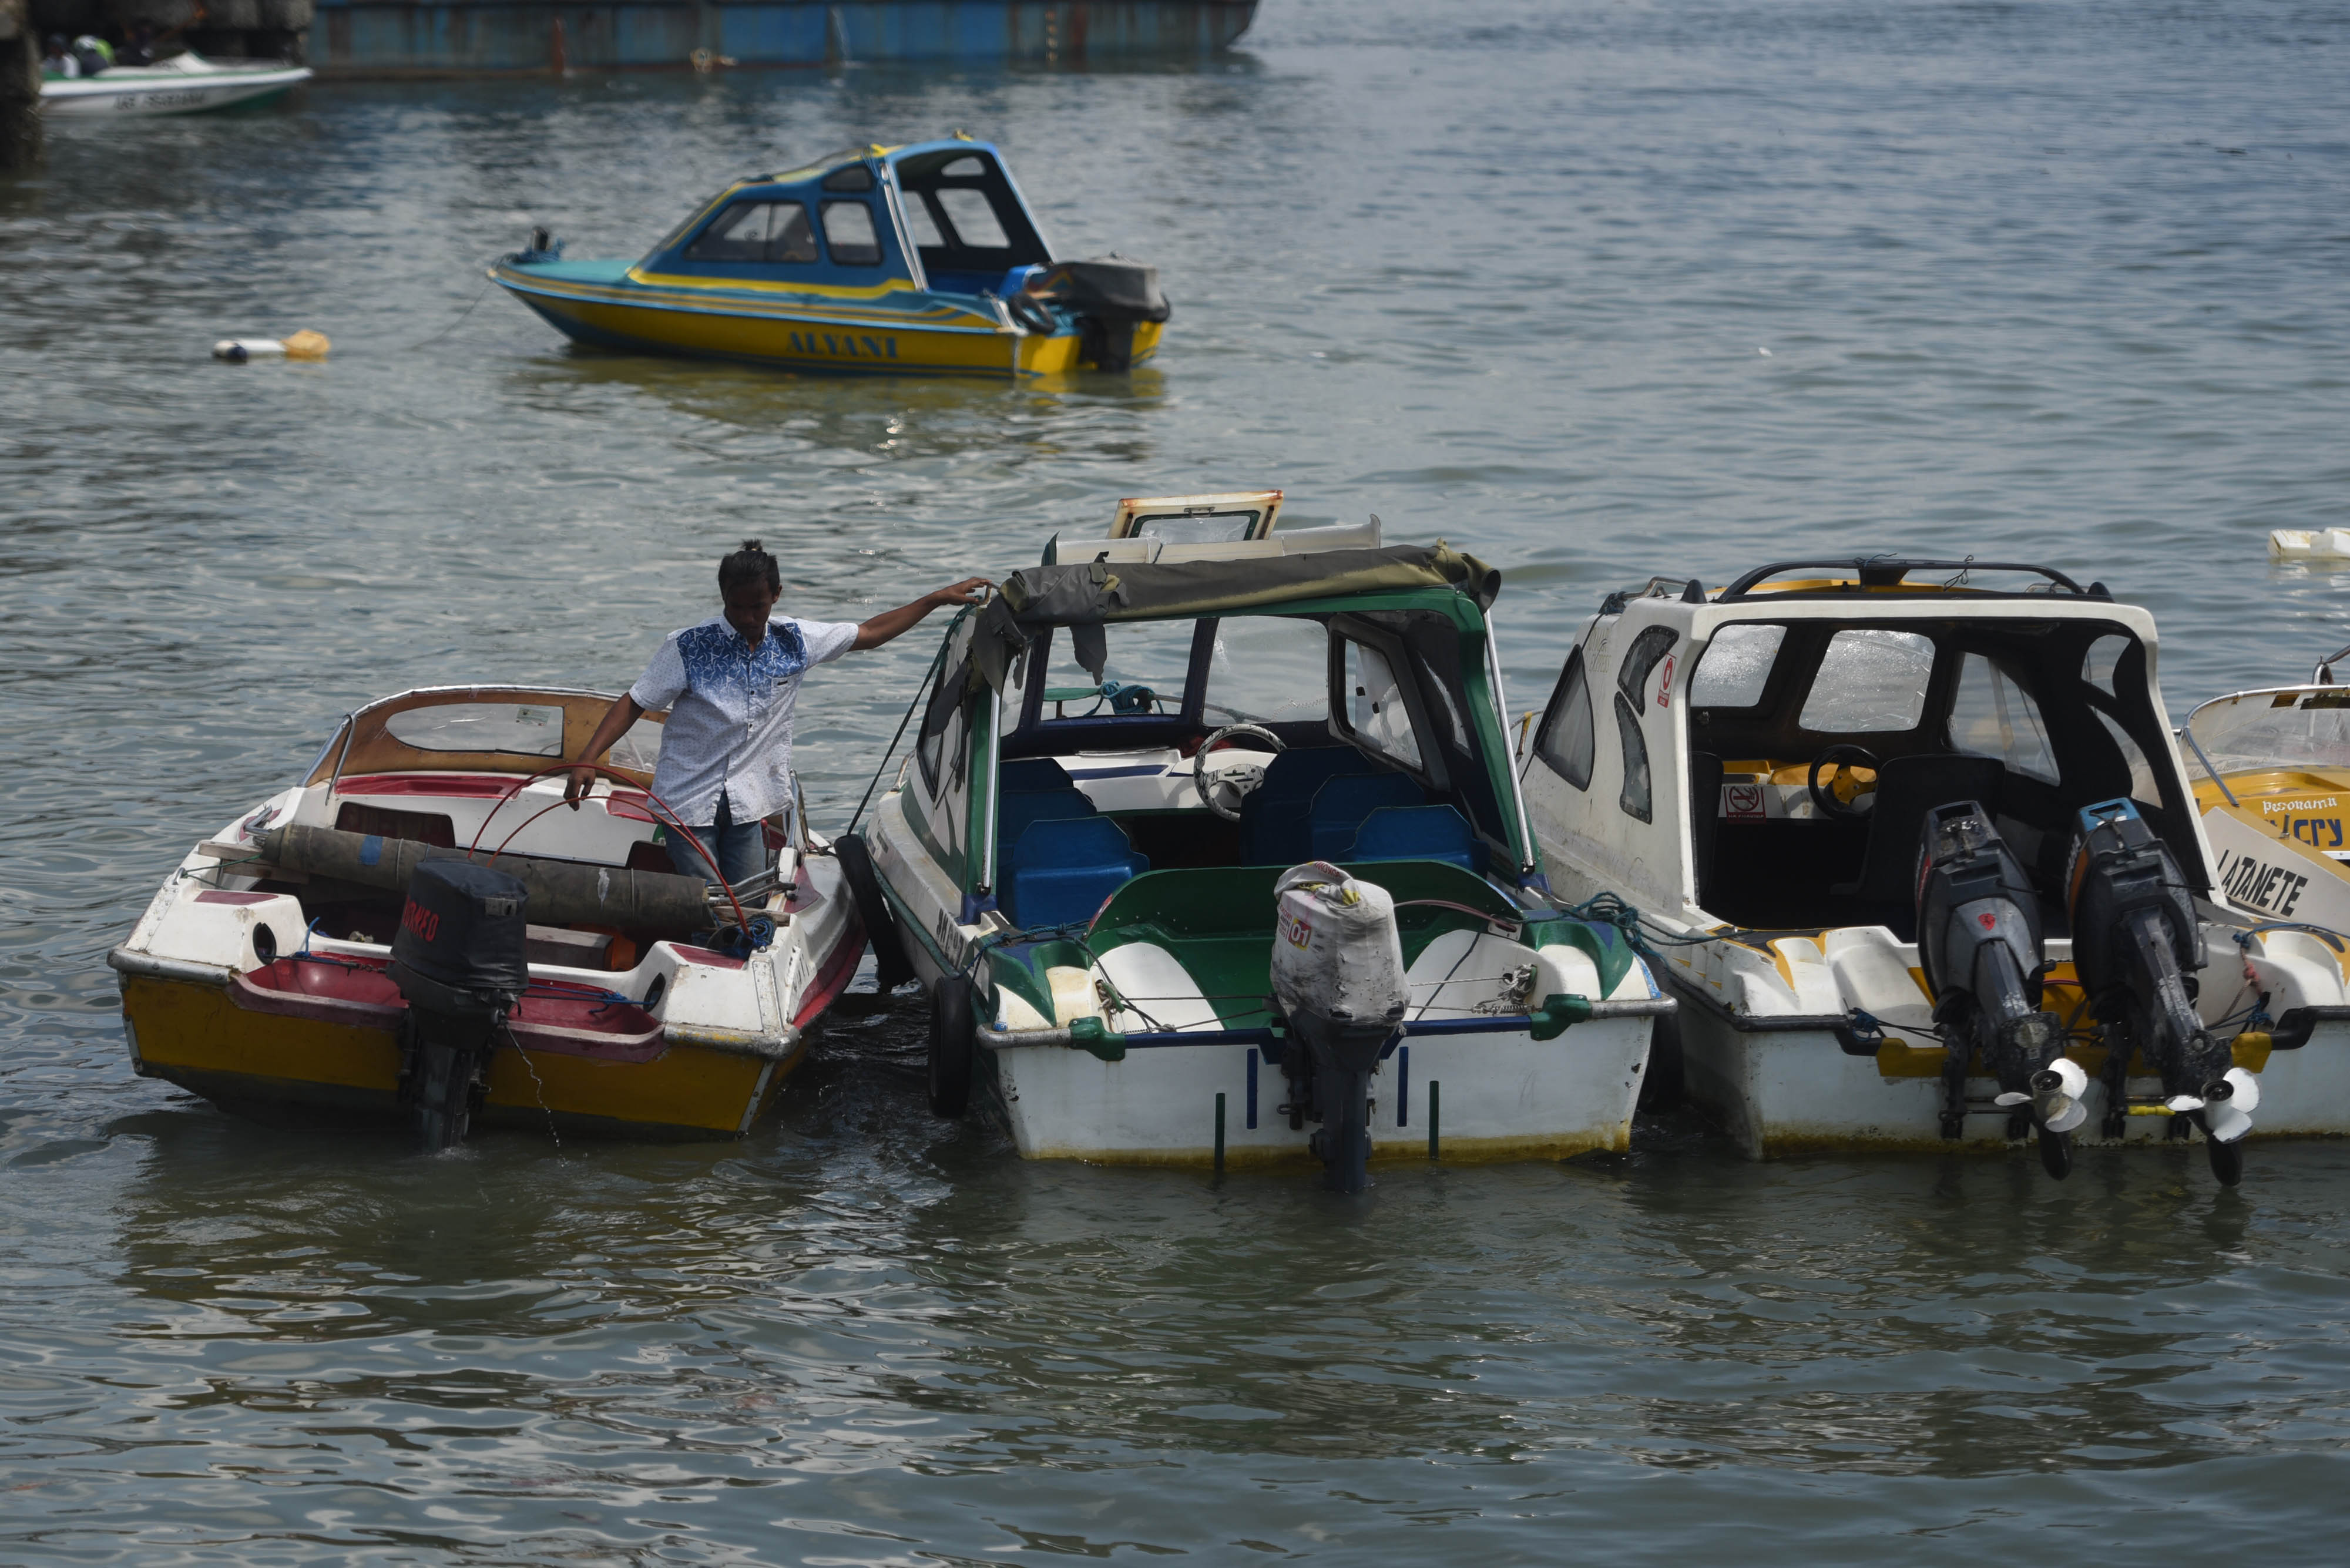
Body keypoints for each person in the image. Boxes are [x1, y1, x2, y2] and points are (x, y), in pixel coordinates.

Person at [563, 540, 989, 887]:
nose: (748, 618)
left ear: (776, 597)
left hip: (751, 799)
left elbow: (871, 633)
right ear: (724, 598)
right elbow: (635, 700)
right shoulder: (689, 647)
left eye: (759, 607)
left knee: (747, 896)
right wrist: (588, 759)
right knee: (706, 897)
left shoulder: (794, 640)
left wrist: (935, 599)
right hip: (688, 798)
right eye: (738, 607)